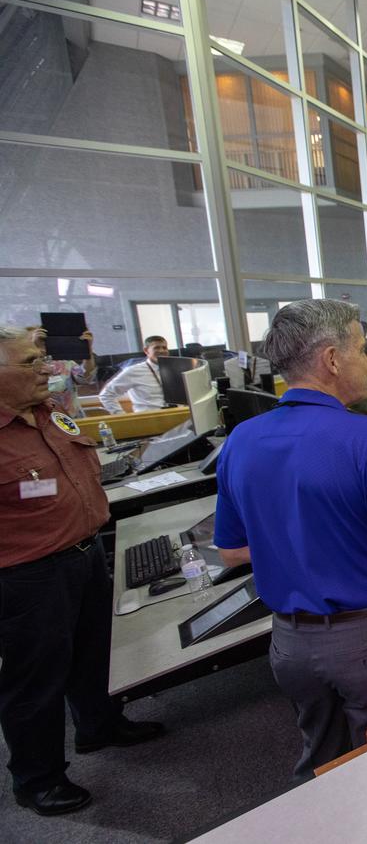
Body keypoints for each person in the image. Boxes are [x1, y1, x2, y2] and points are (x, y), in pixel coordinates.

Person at [213, 300, 367, 779]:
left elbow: (230, 551)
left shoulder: (242, 440)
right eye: (363, 349)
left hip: (290, 645)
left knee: (323, 763)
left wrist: (298, 541)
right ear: (333, 359)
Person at [0, 326, 163, 816]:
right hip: (29, 574)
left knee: (94, 653)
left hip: (85, 552)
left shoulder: (52, 416)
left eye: (42, 359)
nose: (45, 370)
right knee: (36, 680)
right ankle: (37, 778)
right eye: (29, 363)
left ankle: (99, 726)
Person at [28, 326, 96, 418]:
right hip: (45, 421)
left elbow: (84, 378)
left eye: (44, 340)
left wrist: (87, 350)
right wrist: (37, 349)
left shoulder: (63, 363)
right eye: (38, 340)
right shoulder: (25, 366)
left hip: (73, 418)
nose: (42, 344)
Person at [96, 335, 169, 413]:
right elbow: (106, 395)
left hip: (176, 416)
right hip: (148, 419)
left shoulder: (174, 369)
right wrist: (122, 416)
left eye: (164, 348)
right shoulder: (133, 371)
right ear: (146, 351)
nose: (161, 351)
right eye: (156, 348)